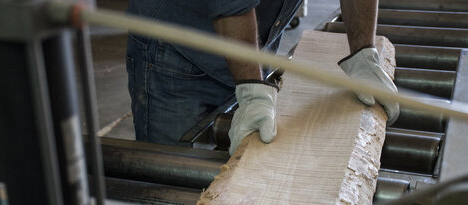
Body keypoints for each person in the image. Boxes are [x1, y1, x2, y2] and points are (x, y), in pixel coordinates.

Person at [126, 0, 399, 155]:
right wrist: (252, 88)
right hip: (178, 48)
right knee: (173, 192)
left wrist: (363, 51)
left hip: (254, 36)